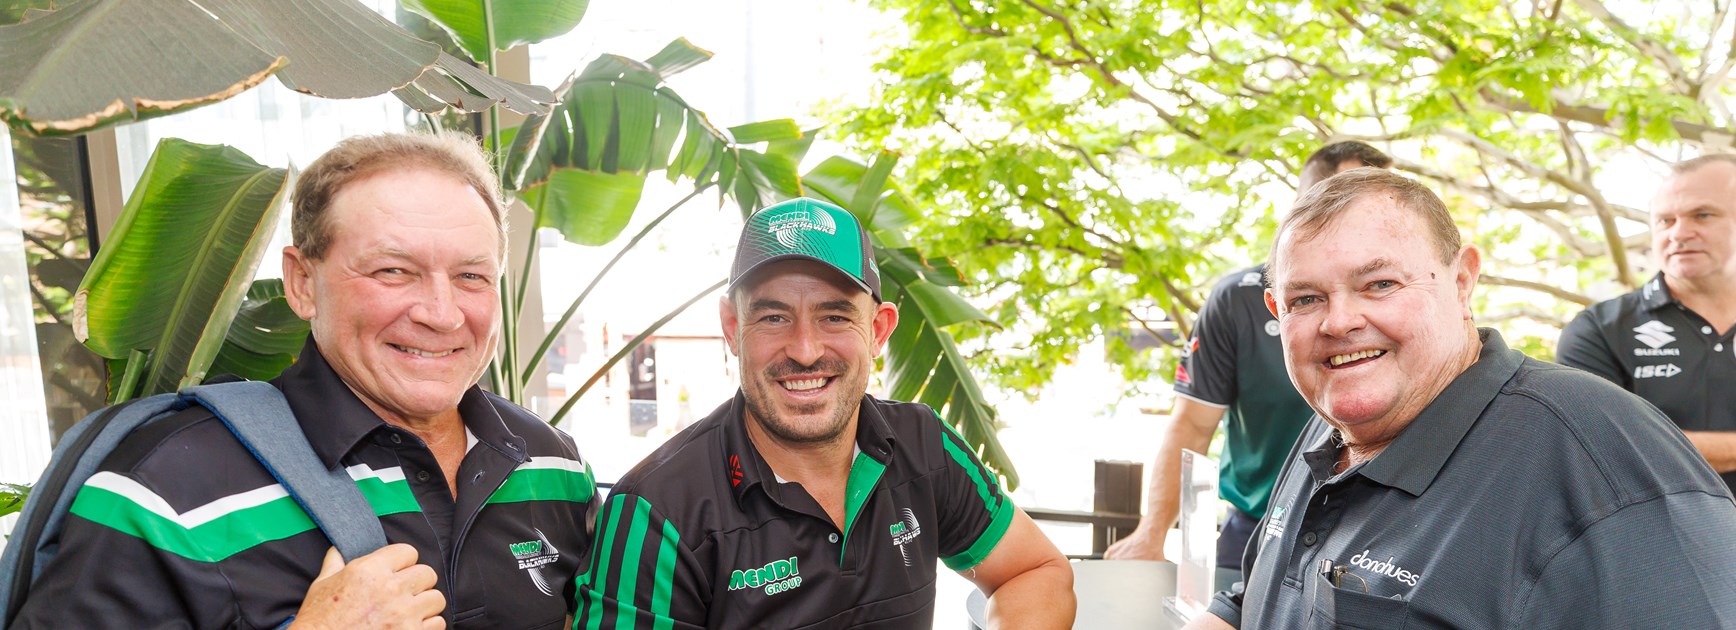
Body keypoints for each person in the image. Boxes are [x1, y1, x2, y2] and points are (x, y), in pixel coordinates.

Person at [12, 132, 599, 629]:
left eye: (471, 276)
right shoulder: (165, 489)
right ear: (300, 283)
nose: (442, 313)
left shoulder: (551, 466)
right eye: (394, 270)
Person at [1189, 169, 1736, 629]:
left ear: (1462, 282)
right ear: (1275, 310)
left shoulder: (1595, 457)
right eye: (1305, 299)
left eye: (1380, 284)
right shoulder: (1333, 420)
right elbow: (1277, 583)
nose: (1339, 322)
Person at [573, 197, 1075, 629]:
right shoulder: (656, 510)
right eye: (773, 317)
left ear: (878, 330)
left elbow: (1035, 570)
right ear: (732, 328)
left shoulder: (924, 445)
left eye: (834, 316)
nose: (806, 350)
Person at [1104, 141, 1392, 594]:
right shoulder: (1236, 299)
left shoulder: (1414, 300)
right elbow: (1191, 426)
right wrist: (1151, 532)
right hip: (1257, 527)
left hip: (1379, 531)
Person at [1558, 154, 1736, 490]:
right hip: (1664, 538)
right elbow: (1605, 448)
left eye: (1703, 215)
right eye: (1665, 221)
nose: (1680, 233)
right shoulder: (1600, 330)